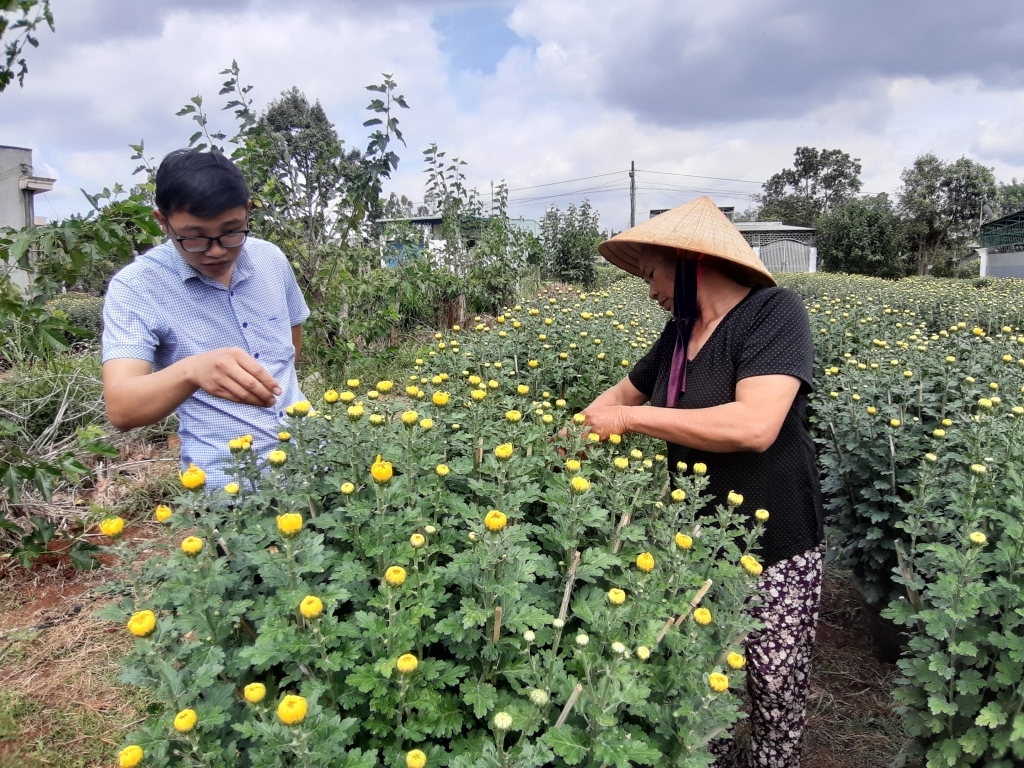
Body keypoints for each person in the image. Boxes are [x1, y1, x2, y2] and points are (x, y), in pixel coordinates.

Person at [582, 197, 824, 768]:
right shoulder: (679, 333)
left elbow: (755, 426)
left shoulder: (773, 313)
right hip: (694, 540)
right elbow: (618, 396)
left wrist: (629, 421)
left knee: (773, 688)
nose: (650, 291)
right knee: (698, 682)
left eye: (652, 273)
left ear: (690, 260)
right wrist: (583, 428)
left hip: (773, 542)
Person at [102, 149, 309, 490]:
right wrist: (192, 371)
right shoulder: (136, 288)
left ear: (247, 211)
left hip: (311, 465)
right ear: (162, 222)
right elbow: (122, 407)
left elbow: (289, 352)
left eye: (231, 231)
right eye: (194, 236)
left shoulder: (271, 259)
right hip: (229, 488)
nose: (216, 250)